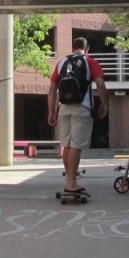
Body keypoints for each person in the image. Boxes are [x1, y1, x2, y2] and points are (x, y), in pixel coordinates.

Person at [47, 37, 108, 195]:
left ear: (73, 47)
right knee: (76, 145)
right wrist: (104, 103)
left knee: (66, 145)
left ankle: (69, 180)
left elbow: (52, 89)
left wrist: (51, 111)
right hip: (82, 107)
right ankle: (72, 183)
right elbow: (100, 83)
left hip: (63, 108)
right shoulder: (89, 61)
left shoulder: (61, 63)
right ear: (86, 49)